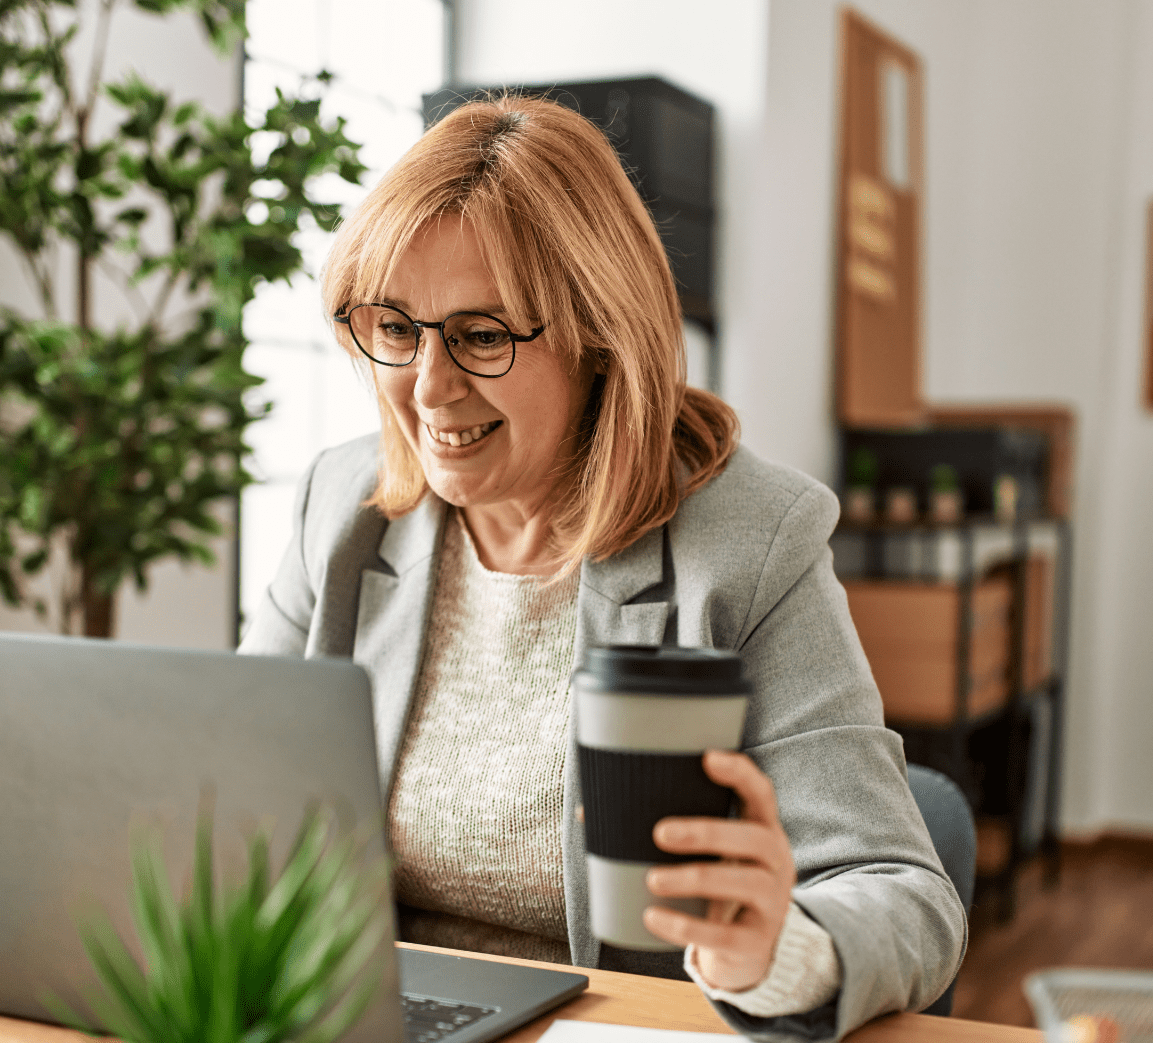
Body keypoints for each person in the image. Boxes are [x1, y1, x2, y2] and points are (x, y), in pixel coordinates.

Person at [238, 94, 965, 1041]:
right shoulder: (342, 505)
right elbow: (225, 788)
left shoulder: (749, 541)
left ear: (597, 338)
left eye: (483, 335)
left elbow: (904, 892)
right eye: (395, 326)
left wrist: (783, 946)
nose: (427, 385)